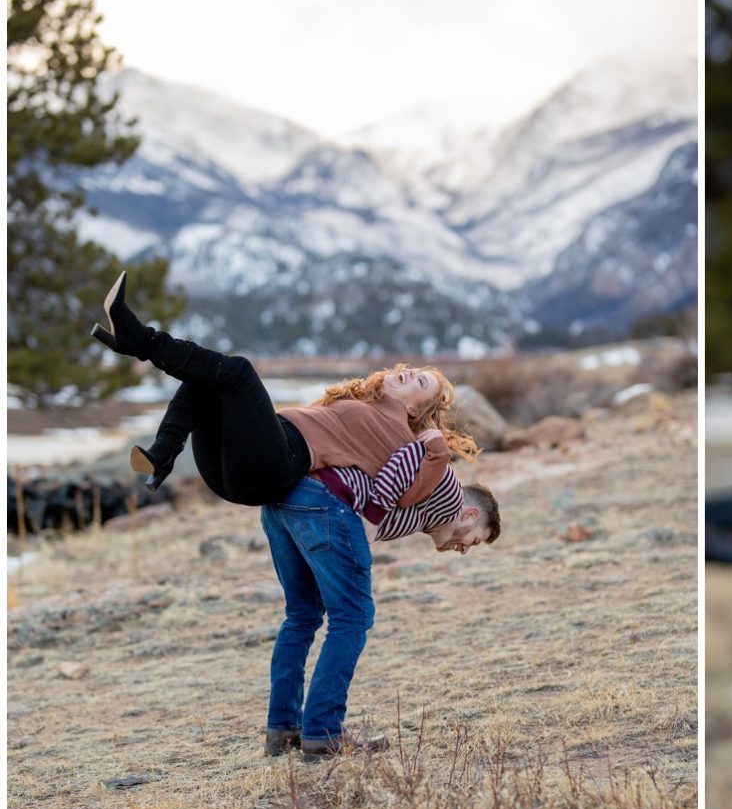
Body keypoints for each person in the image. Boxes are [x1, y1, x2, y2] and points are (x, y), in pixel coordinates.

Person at [91, 271, 500, 758]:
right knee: (349, 615)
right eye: (472, 541)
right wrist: (368, 517)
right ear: (473, 517)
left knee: (306, 613)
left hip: (275, 482)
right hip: (285, 481)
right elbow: (417, 468)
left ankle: (286, 729)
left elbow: (408, 469)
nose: (462, 549)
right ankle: (318, 733)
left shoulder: (409, 462)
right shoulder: (414, 454)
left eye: (421, 380)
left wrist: (371, 514)